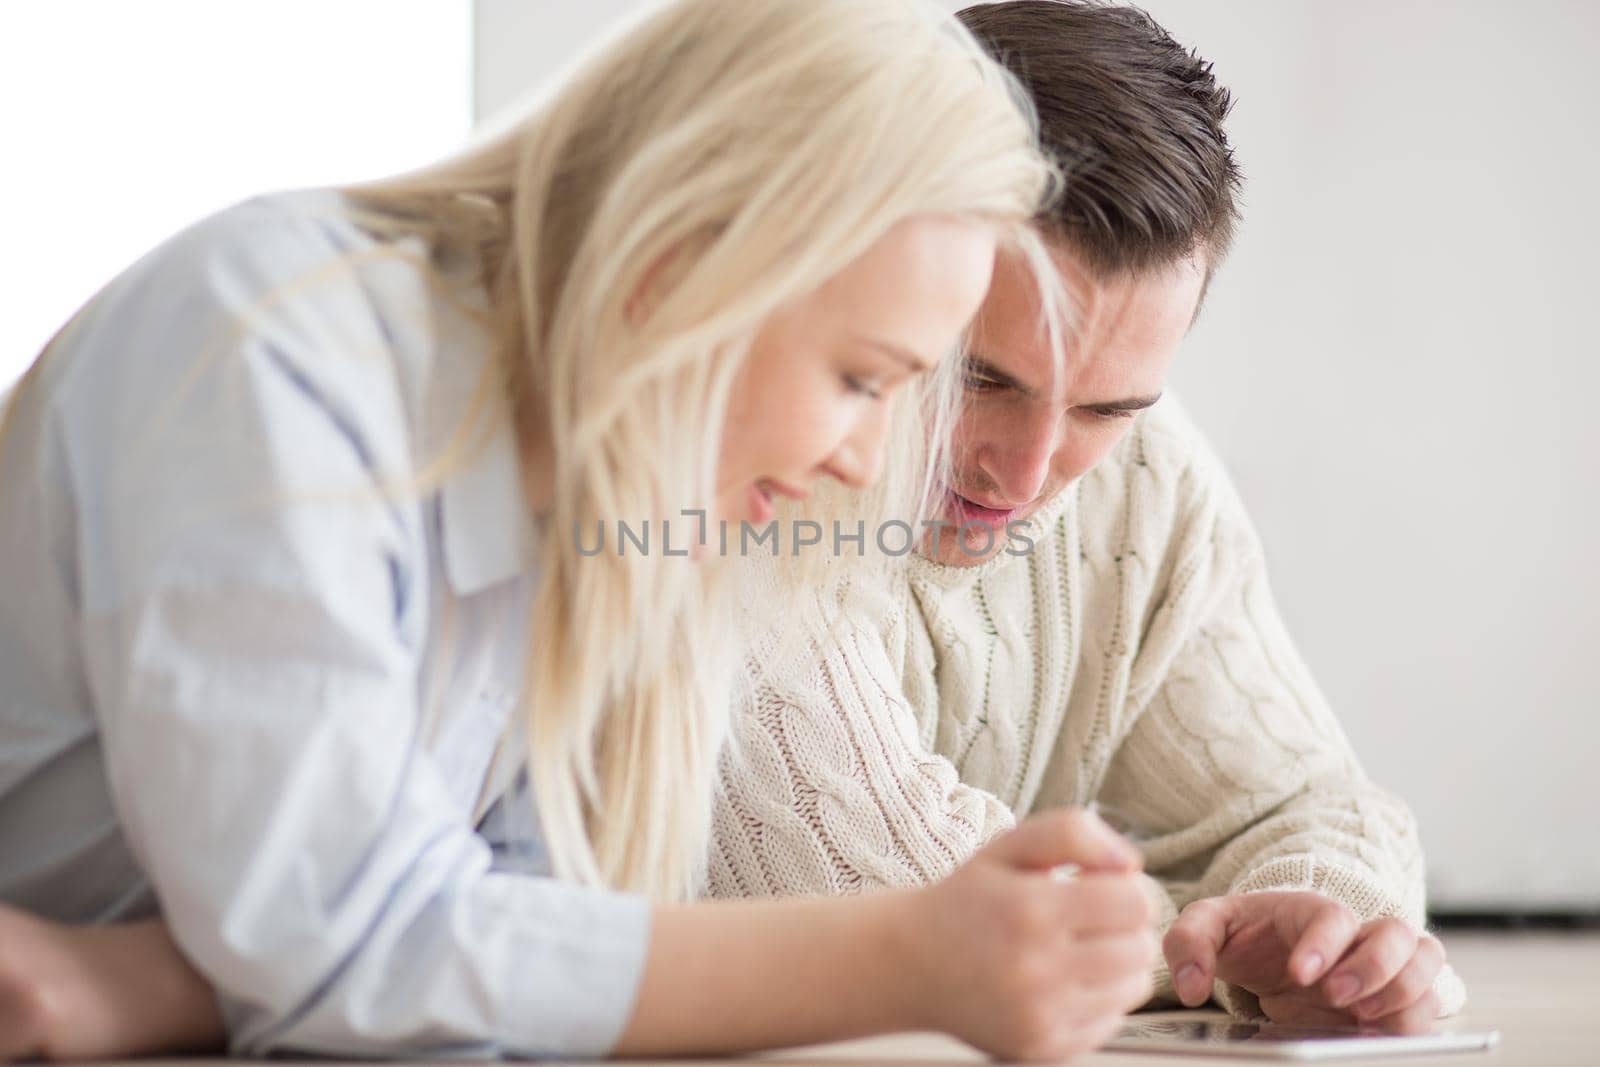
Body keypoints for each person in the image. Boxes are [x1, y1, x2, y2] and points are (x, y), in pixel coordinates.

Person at [0, 0, 1162, 1061]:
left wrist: (151, 984)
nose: (862, 461)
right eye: (863, 378)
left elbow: (489, 944)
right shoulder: (272, 354)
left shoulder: (595, 498)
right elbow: (359, 946)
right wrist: (907, 958)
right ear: (684, 264)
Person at [706, 0, 1464, 1035]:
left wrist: (1325, 934)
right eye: (979, 377)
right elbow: (863, 878)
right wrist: (1208, 940)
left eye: (1106, 407)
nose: (1026, 470)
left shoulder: (1145, 475)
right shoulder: (761, 452)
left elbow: (1315, 802)